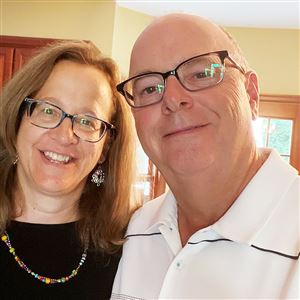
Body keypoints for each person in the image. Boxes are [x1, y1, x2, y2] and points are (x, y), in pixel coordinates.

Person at [112, 13, 299, 299]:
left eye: (201, 74)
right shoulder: (137, 230)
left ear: (250, 95)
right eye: (149, 88)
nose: (173, 99)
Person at [0, 40, 136, 299]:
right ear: (17, 120)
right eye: (48, 110)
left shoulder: (132, 247)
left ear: (105, 148)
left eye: (87, 121)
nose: (65, 136)